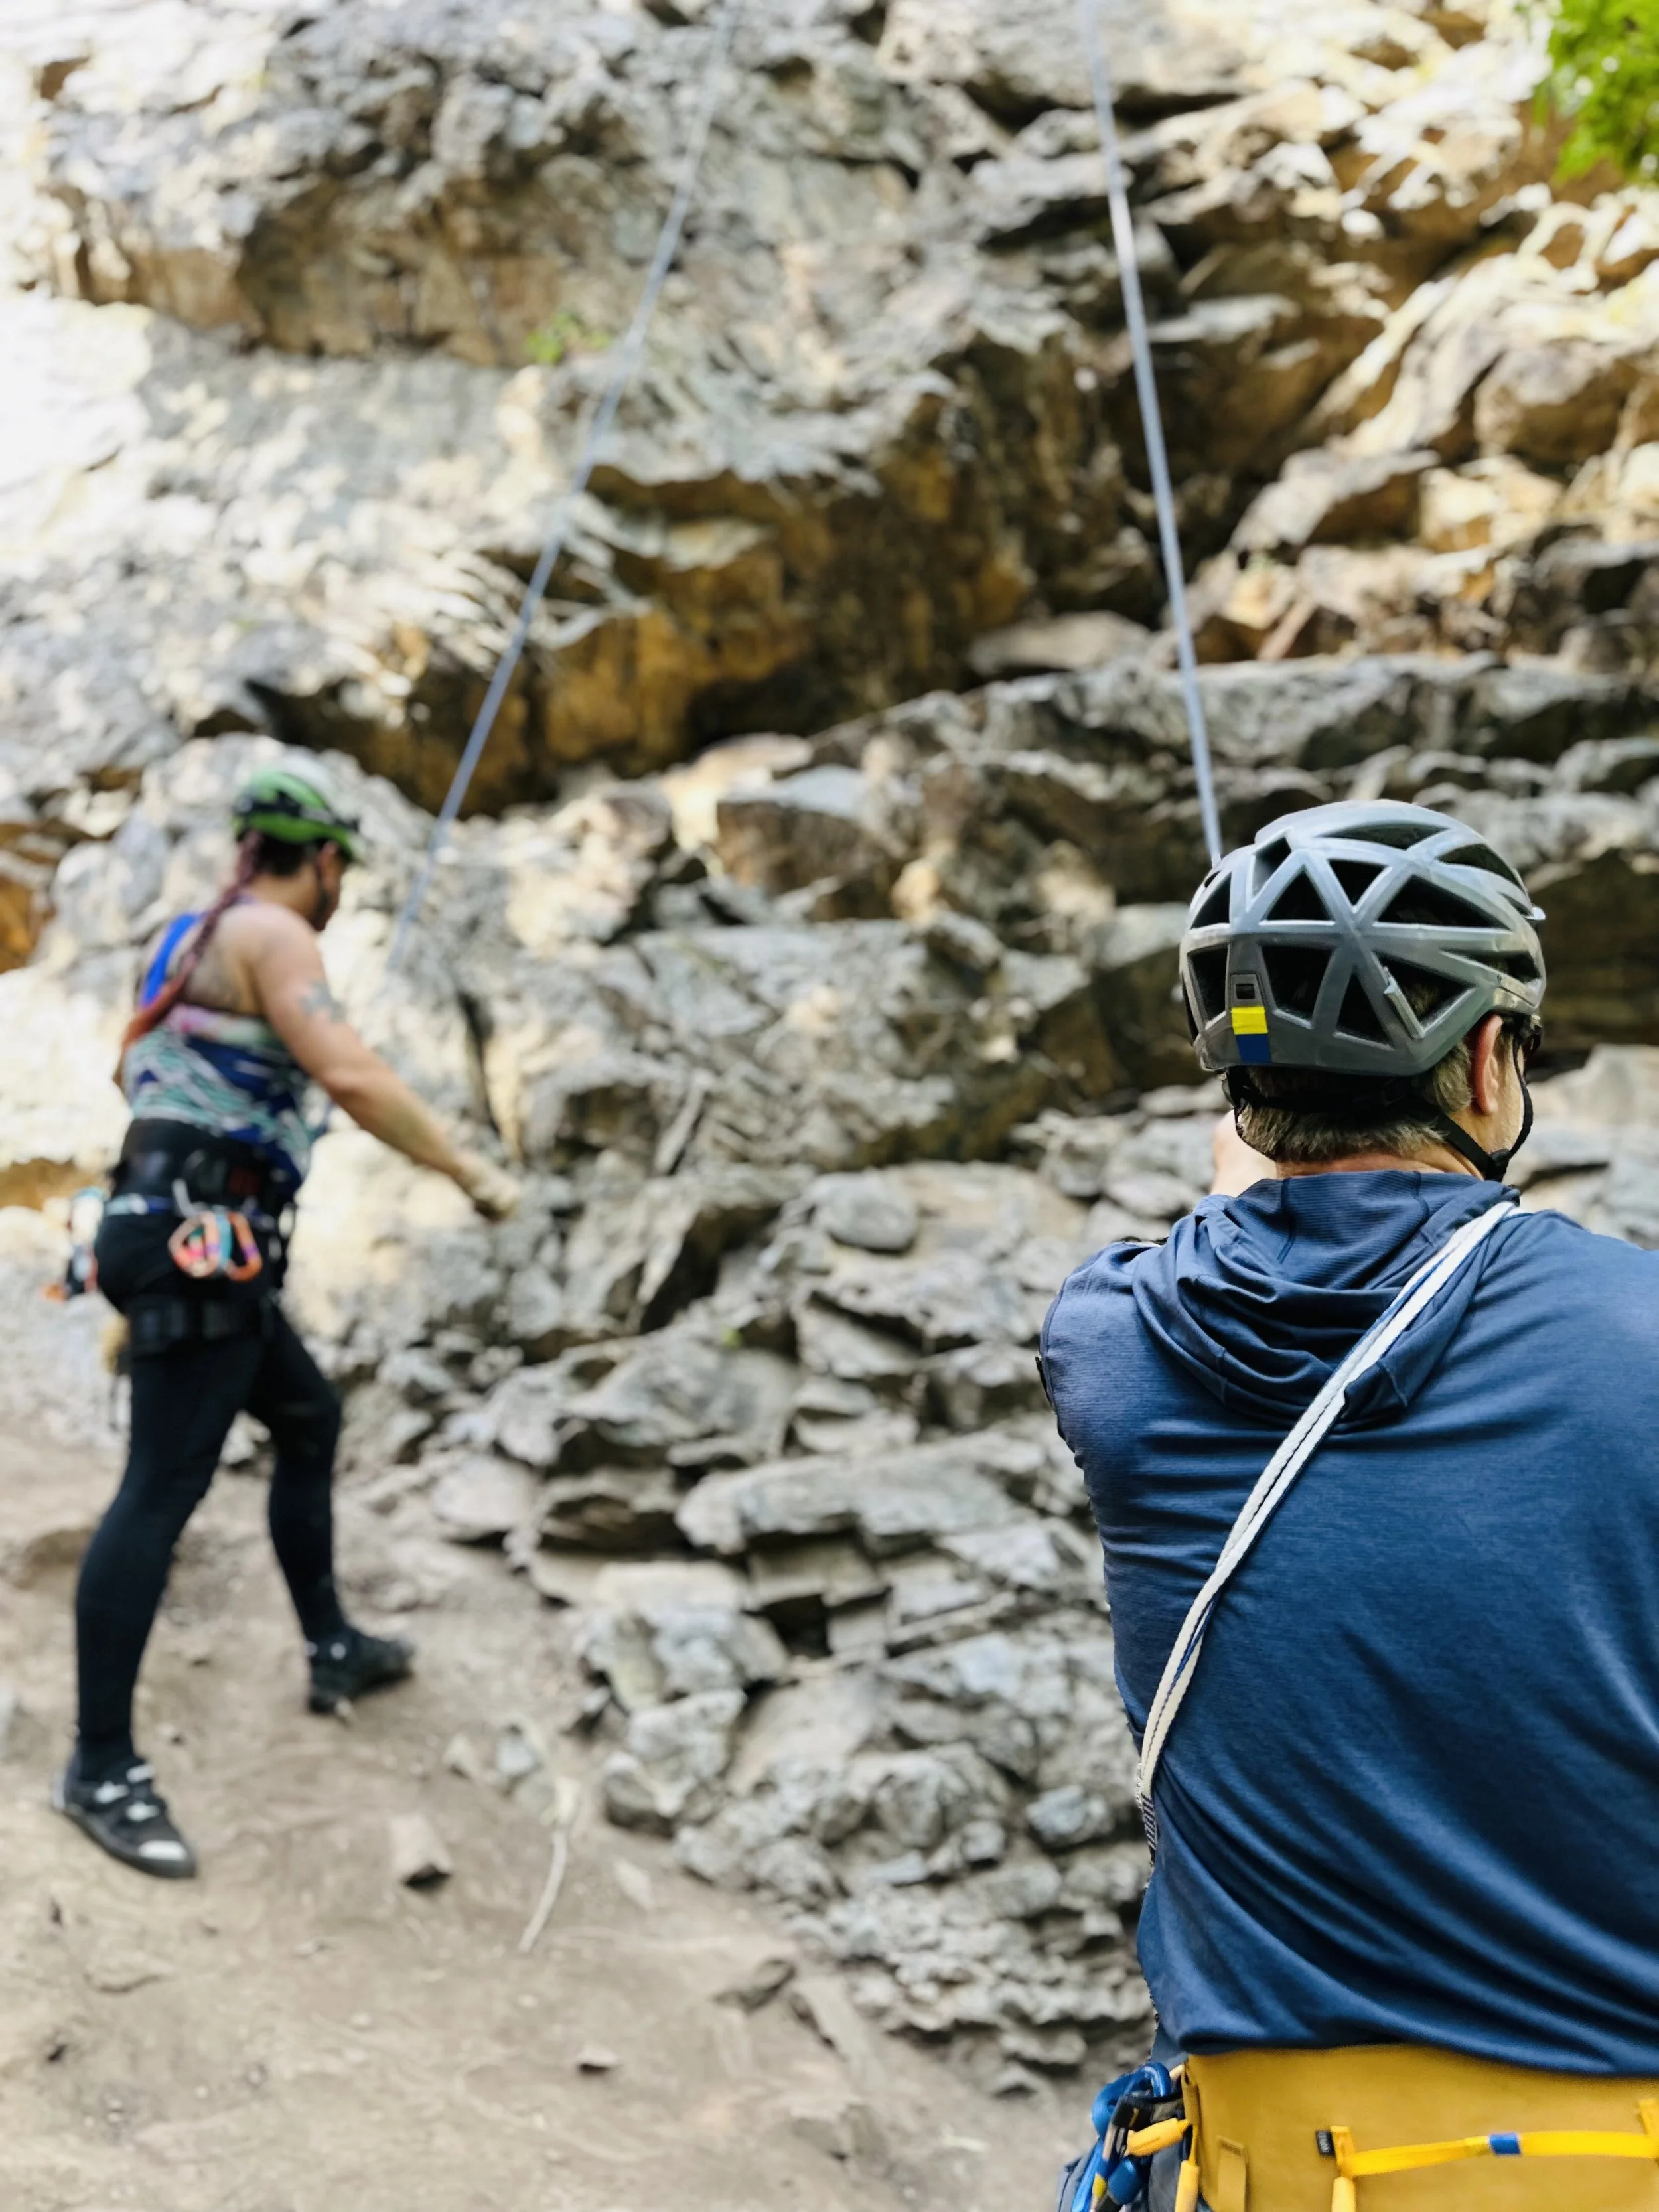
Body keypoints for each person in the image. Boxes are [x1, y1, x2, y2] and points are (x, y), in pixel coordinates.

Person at [1043, 802, 1659, 2212]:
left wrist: (1257, 1189)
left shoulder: (1112, 1343)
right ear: (1492, 1062)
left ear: (1233, 1081)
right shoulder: (1635, 1329)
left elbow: (1260, 1271)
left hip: (1262, 2172)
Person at [56, 763, 520, 1880]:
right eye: (341, 871)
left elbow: (144, 1075)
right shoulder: (273, 933)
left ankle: (332, 1645)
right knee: (160, 1488)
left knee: (307, 1417)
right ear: (319, 861)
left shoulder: (184, 939)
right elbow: (351, 1074)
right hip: (201, 1245)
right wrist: (469, 1171)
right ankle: (100, 1767)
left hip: (177, 1234)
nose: (343, 889)